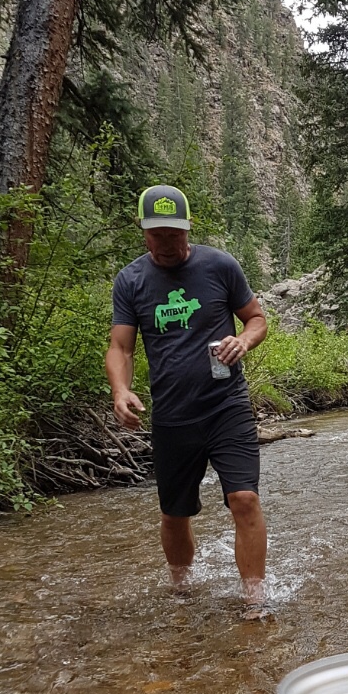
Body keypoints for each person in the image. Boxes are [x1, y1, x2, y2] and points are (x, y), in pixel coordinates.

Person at [106, 185, 269, 613]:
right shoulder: (131, 280)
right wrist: (121, 390)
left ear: (188, 228)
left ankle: (255, 601)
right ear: (143, 231)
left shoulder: (220, 266)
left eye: (174, 234)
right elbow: (121, 348)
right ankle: (181, 590)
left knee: (244, 499)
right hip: (172, 415)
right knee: (175, 513)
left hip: (226, 404)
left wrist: (244, 341)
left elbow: (256, 319)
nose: (166, 244)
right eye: (157, 234)